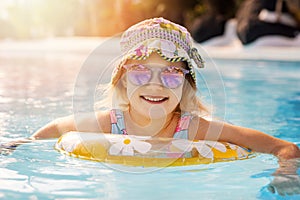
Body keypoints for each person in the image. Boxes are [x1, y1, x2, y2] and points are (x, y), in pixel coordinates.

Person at [1, 17, 300, 195]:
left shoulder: (193, 129)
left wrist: (286, 175)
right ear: (122, 82)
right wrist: (18, 146)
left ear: (186, 86)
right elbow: (55, 129)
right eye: (141, 72)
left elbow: (283, 147)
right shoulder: (110, 123)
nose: (155, 85)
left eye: (171, 74)